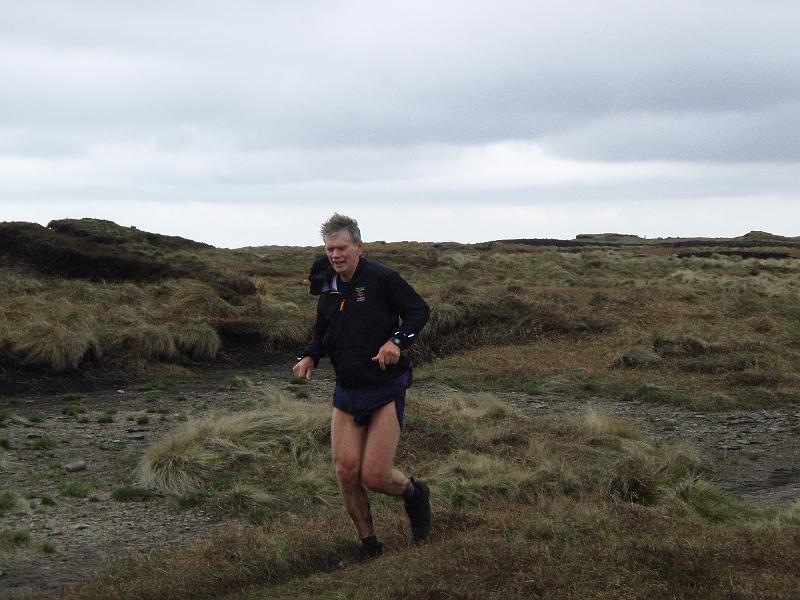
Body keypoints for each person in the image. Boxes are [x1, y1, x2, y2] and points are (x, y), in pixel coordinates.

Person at [293, 213, 431, 568]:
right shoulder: (327, 282)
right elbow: (323, 325)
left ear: (358, 247)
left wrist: (397, 341)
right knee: (345, 470)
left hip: (385, 385)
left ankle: (414, 492)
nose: (335, 256)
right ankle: (369, 545)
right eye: (329, 250)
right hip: (348, 387)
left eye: (341, 248)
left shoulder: (383, 279)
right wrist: (311, 355)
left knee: (375, 476)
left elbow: (418, 311)